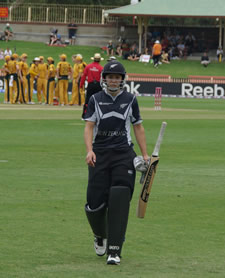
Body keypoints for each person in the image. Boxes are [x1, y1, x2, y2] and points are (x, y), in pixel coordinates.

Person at [84, 61, 148, 265]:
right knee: (94, 204)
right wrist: (89, 150)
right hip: (100, 154)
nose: (113, 80)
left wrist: (145, 155)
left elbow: (138, 127)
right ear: (104, 78)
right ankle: (99, 234)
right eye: (110, 76)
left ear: (122, 79)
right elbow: (89, 127)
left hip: (123, 153)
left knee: (119, 197)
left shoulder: (131, 99)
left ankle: (114, 250)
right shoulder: (95, 99)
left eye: (117, 77)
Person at [80, 53, 104, 118]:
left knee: (88, 100)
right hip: (98, 85)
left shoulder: (88, 66)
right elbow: (103, 78)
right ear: (99, 60)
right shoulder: (101, 68)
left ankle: (85, 115)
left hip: (90, 85)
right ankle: (97, 115)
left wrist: (81, 84)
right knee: (98, 100)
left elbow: (84, 76)